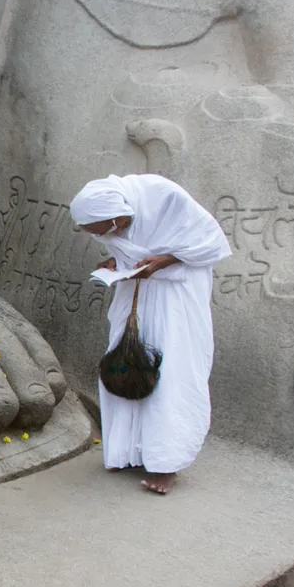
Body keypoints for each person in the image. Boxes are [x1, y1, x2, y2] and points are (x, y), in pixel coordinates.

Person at [70, 174, 231, 494]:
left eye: (99, 230)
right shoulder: (114, 215)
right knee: (122, 367)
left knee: (170, 372)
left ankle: (167, 464)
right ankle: (126, 451)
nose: (99, 236)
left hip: (176, 301)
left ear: (116, 216)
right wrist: (117, 262)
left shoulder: (164, 198)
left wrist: (165, 260)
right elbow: (130, 249)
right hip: (135, 298)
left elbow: (211, 242)